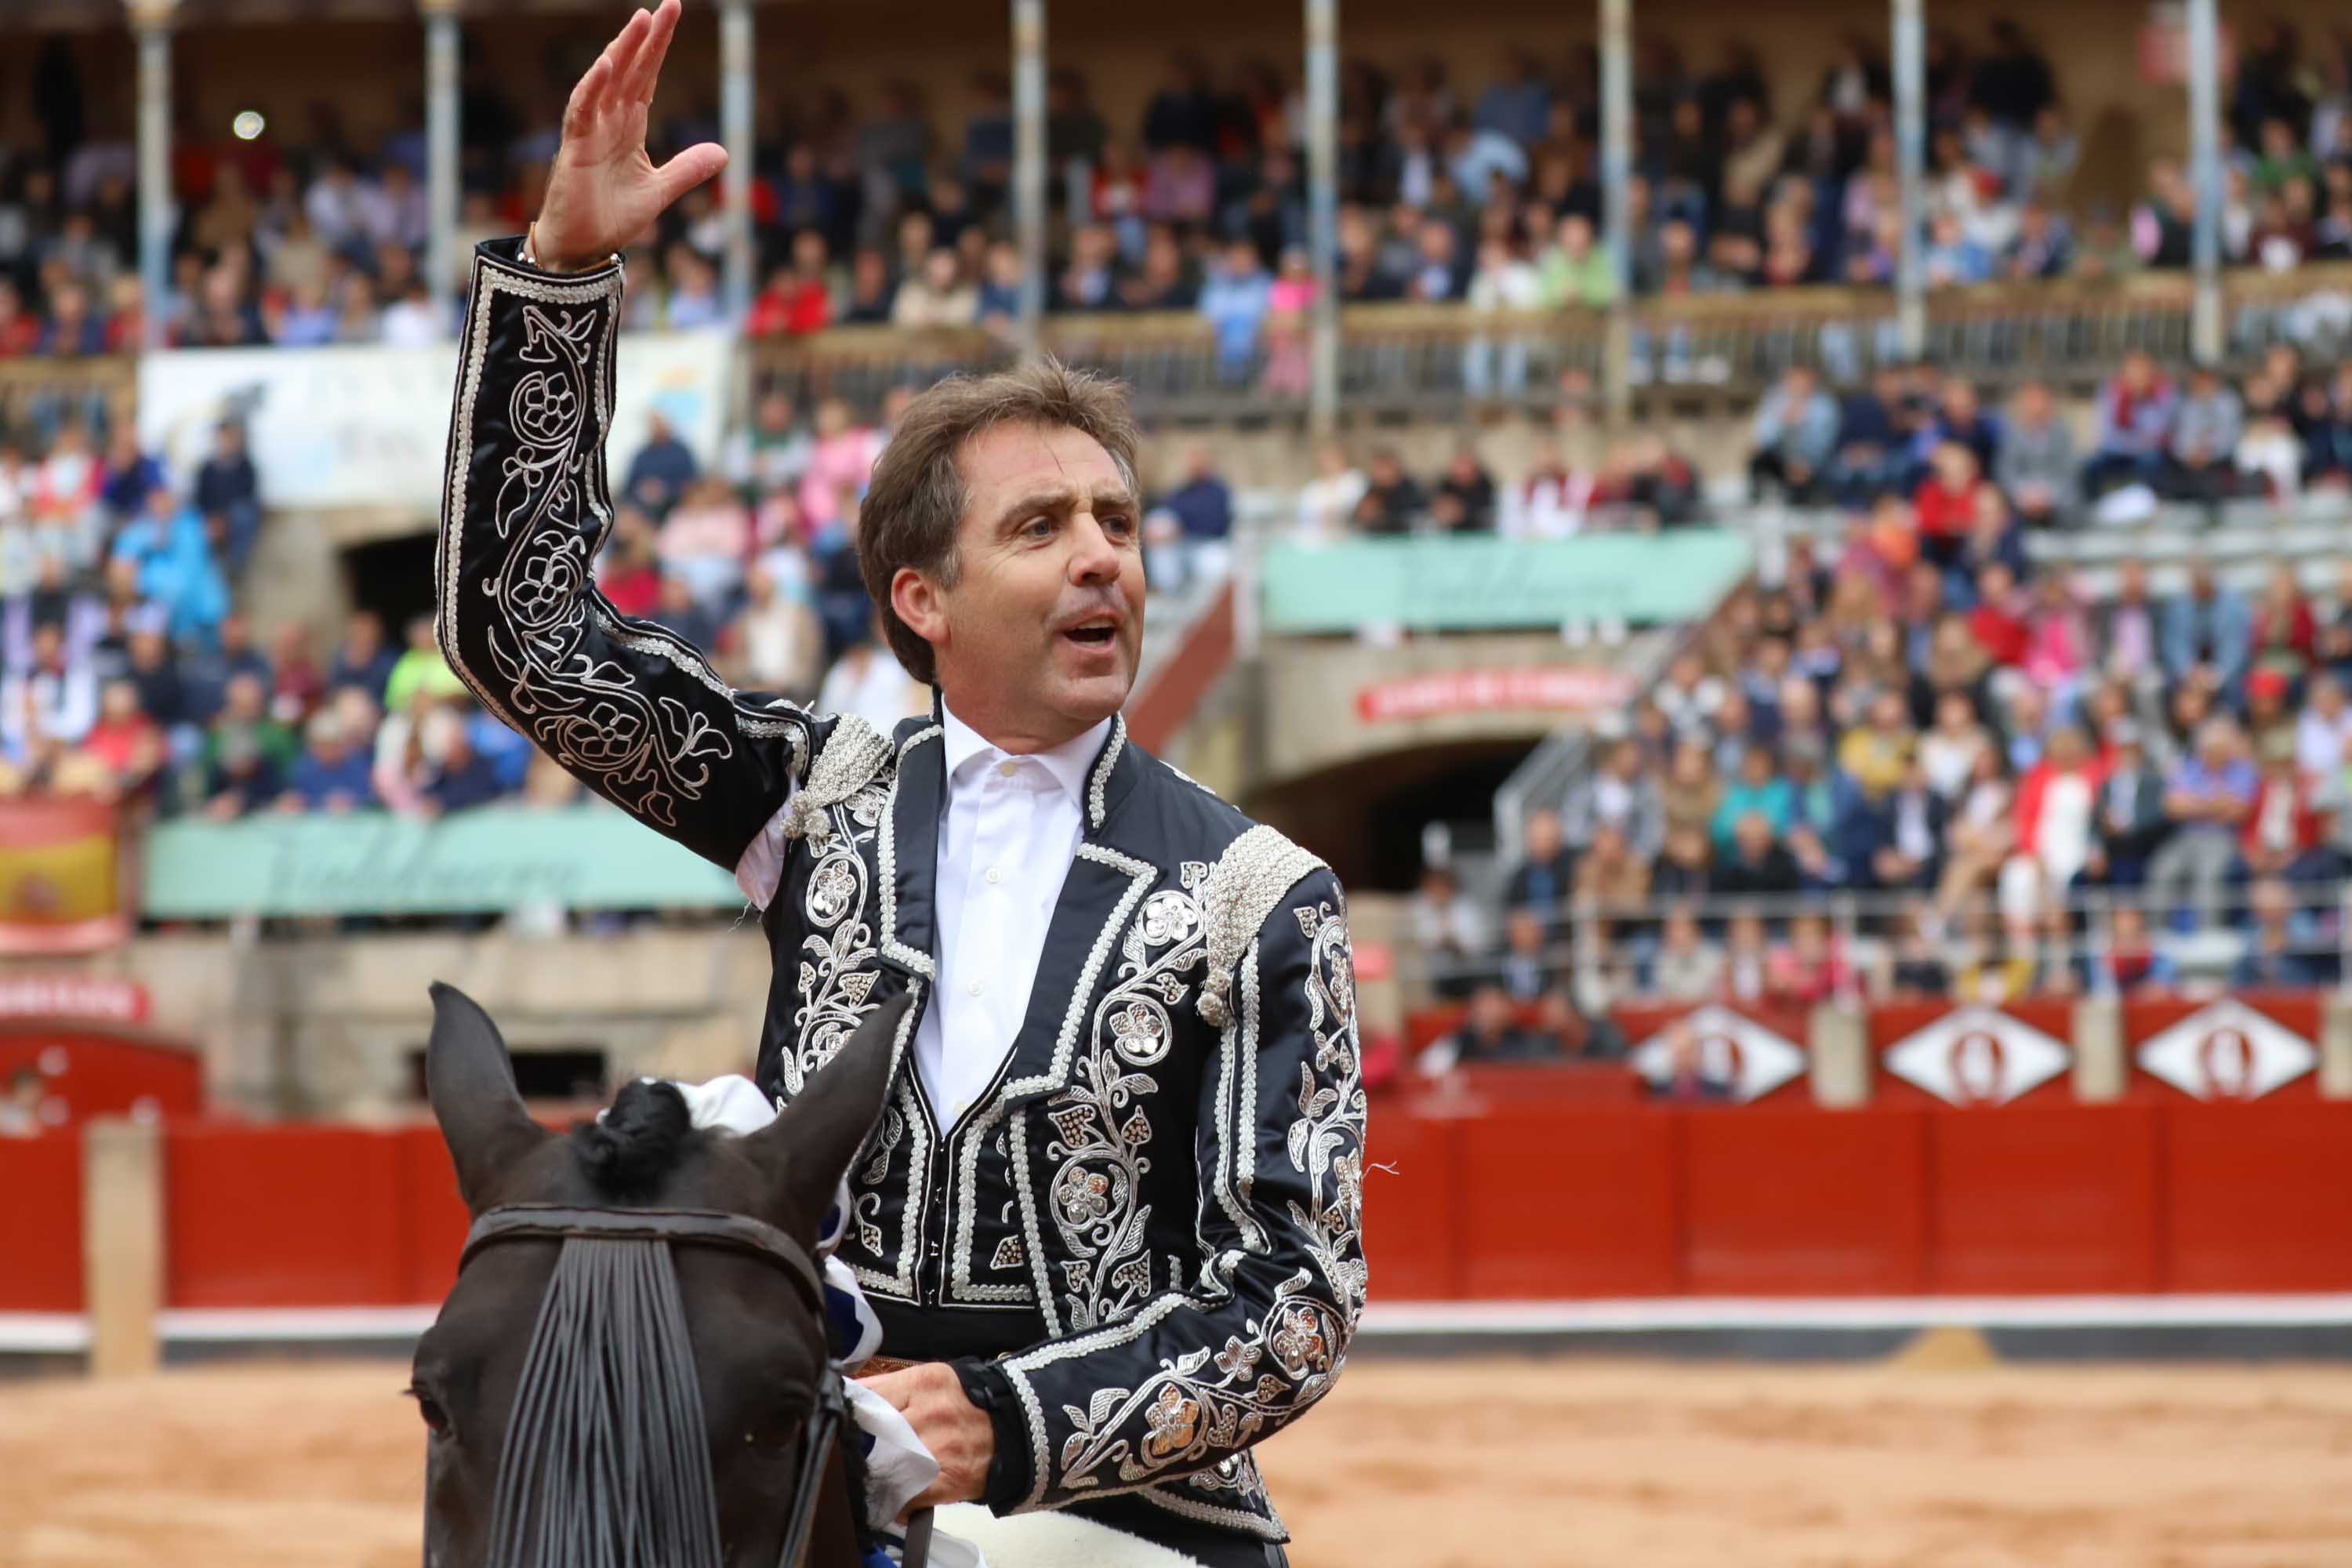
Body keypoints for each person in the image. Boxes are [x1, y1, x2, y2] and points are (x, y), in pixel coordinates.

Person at [439, 13, 1362, 1556]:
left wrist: (1008, 1425)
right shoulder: (811, 806)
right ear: (921, 598)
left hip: (1127, 1533)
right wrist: (561, 276)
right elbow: (522, 630)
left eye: (1118, 523)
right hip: (822, 1505)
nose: (1100, 556)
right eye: (1044, 526)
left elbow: (1295, 1295)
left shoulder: (1256, 896)